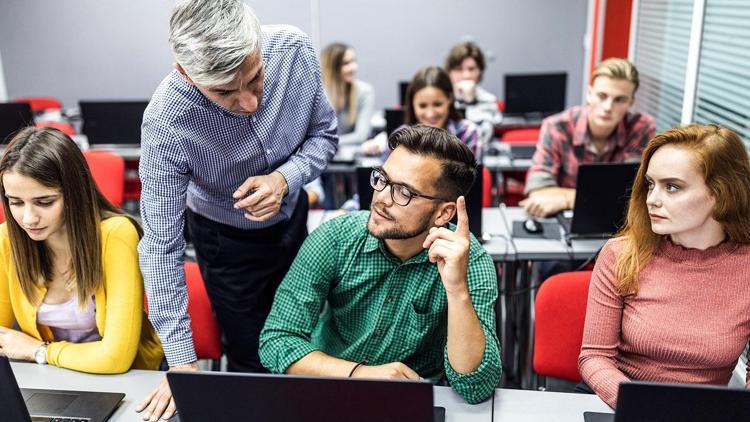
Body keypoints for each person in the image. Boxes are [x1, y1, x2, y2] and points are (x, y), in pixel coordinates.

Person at [136, 0, 337, 420]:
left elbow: (324, 135)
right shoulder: (166, 123)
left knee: (306, 339)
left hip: (292, 219)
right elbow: (159, 248)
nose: (248, 102)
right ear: (185, 73)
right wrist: (183, 365)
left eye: (256, 77)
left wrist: (285, 178)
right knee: (251, 358)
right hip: (223, 241)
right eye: (225, 91)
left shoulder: (294, 50)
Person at [259, 125, 501, 404]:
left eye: (404, 193)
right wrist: (360, 374)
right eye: (382, 180)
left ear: (443, 213)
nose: (382, 198)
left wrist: (457, 289)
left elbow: (476, 386)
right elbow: (276, 340)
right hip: (328, 385)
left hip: (407, 402)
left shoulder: (470, 262)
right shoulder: (335, 237)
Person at [578, 124, 750, 408]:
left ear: (721, 193)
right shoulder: (620, 254)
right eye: (650, 184)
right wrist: (642, 408)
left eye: (672, 187)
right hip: (617, 402)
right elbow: (594, 357)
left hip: (701, 412)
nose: (652, 199)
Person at [0, 126, 163, 374]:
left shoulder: (116, 234)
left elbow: (115, 359)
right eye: (16, 203)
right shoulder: (7, 239)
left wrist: (38, 350)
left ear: (74, 193)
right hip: (52, 377)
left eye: (45, 202)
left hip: (128, 380)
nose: (29, 218)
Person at [521, 58, 655, 218]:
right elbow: (538, 192)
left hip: (616, 222)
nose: (608, 107)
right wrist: (599, 199)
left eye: (620, 100)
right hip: (564, 219)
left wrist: (566, 199)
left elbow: (634, 194)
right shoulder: (557, 126)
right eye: (602, 96)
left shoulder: (640, 127)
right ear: (589, 94)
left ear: (631, 102)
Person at [379, 66, 483, 161]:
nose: (430, 114)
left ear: (449, 98)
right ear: (412, 104)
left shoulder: (467, 132)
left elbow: (472, 177)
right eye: (423, 106)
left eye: (437, 104)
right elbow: (385, 175)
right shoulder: (400, 137)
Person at [321, 42, 375, 147]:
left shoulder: (364, 91)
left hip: (350, 157)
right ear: (332, 68)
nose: (353, 67)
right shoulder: (319, 95)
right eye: (346, 63)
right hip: (322, 156)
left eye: (354, 61)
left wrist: (326, 143)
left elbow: (361, 136)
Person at [444, 41, 502, 126]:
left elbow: (485, 133)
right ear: (449, 73)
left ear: (480, 72)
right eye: (459, 69)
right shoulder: (441, 100)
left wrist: (470, 102)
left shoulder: (489, 100)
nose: (466, 75)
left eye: (471, 69)